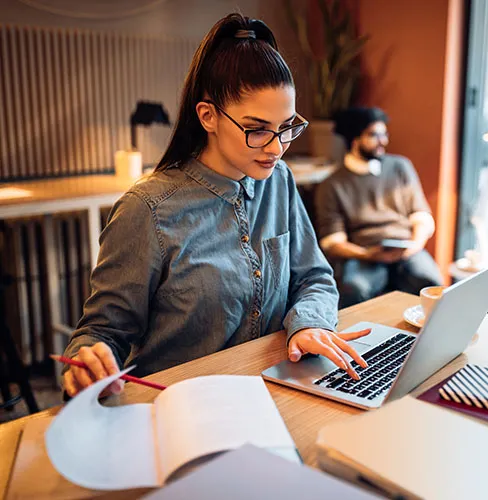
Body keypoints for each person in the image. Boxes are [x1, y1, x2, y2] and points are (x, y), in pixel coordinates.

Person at [61, 15, 370, 398]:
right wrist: (90, 363)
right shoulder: (148, 210)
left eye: (286, 127)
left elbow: (314, 279)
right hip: (182, 410)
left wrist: (309, 324)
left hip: (273, 391)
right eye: (257, 129)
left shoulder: (279, 181)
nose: (276, 148)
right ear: (207, 116)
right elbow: (103, 332)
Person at [315, 107, 443, 308]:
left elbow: (421, 216)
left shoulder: (400, 167)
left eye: (384, 134)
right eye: (374, 135)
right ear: (354, 139)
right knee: (353, 290)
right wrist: (367, 254)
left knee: (433, 286)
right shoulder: (331, 185)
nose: (384, 141)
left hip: (407, 249)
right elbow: (332, 242)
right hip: (364, 253)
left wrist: (413, 246)